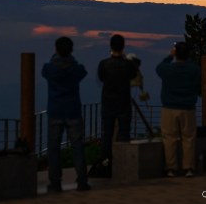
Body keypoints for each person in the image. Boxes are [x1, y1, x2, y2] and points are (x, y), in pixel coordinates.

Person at [42, 36, 90, 193]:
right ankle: (82, 181)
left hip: (55, 111)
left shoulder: (49, 69)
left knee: (54, 148)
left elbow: (45, 69)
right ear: (71, 50)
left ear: (56, 49)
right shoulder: (75, 69)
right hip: (73, 111)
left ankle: (55, 183)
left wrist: (54, 59)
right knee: (77, 146)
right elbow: (83, 71)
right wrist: (72, 61)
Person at [156, 42, 201, 177]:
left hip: (169, 108)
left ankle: (171, 168)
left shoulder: (167, 69)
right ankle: (188, 168)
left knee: (169, 138)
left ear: (175, 53)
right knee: (188, 138)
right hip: (188, 108)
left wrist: (170, 56)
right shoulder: (194, 69)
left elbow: (159, 68)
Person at [97, 34, 137, 165]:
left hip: (108, 102)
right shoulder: (128, 65)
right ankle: (123, 162)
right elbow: (133, 75)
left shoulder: (103, 64)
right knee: (124, 132)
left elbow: (101, 78)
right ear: (123, 46)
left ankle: (106, 161)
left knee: (107, 134)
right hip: (124, 102)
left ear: (110, 46)